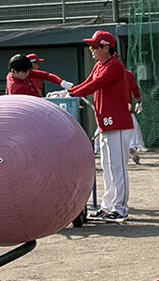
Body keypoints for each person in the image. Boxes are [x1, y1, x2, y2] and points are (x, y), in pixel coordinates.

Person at [51, 31, 132, 223]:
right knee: (107, 167)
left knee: (118, 167)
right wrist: (67, 92)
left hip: (118, 124)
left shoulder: (114, 66)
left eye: (95, 46)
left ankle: (120, 209)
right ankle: (108, 206)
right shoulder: (99, 65)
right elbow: (87, 83)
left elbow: (95, 84)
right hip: (105, 124)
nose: (91, 50)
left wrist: (71, 94)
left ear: (106, 47)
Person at [6, 53, 72, 97]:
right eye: (24, 72)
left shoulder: (21, 73)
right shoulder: (17, 89)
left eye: (28, 70)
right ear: (13, 71)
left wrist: (61, 82)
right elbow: (34, 102)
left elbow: (46, 75)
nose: (27, 74)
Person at [125, 68, 147, 163]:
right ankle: (95, 148)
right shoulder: (107, 74)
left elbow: (134, 88)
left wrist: (139, 102)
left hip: (126, 108)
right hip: (115, 109)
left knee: (134, 125)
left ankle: (134, 146)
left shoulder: (128, 74)